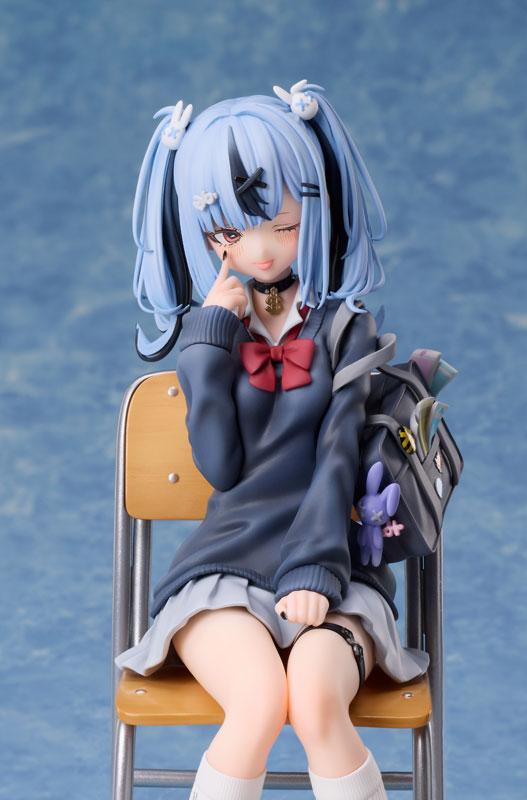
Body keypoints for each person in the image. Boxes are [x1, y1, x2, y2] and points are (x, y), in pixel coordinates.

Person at [116, 80, 429, 800]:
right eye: (227, 235)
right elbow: (221, 466)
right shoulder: (216, 332)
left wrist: (315, 571)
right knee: (257, 704)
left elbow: (338, 457)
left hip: (334, 574)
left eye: (282, 225)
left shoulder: (344, 331)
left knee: (315, 703)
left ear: (315, 209)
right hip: (224, 573)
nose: (257, 250)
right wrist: (206, 342)